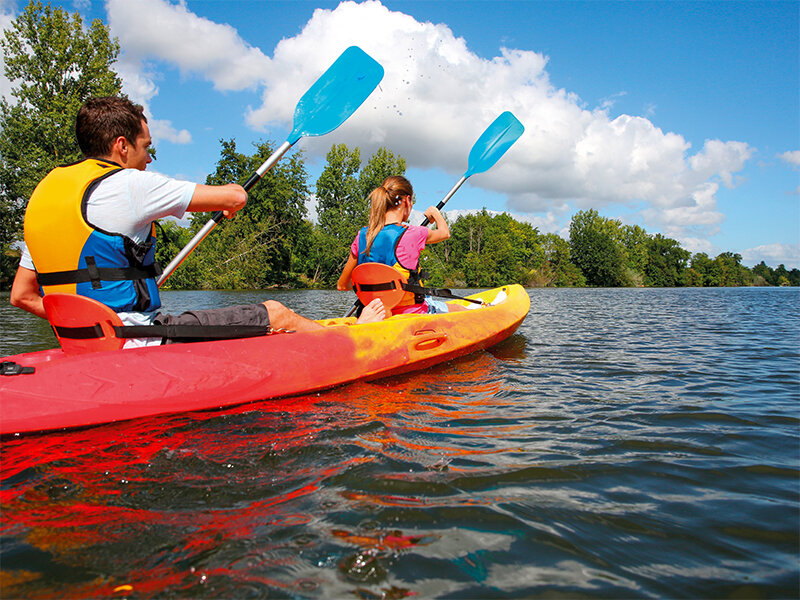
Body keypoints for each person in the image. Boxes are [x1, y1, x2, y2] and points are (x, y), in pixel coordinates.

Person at [11, 96, 385, 347]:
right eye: (146, 147)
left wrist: (91, 324)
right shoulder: (127, 184)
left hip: (82, 344)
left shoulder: (47, 197)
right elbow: (235, 196)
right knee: (275, 312)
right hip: (136, 340)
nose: (149, 158)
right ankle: (353, 341)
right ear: (121, 146)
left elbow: (22, 295)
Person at [337, 175, 456, 315]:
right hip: (412, 314)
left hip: (374, 315)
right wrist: (435, 213)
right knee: (462, 309)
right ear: (407, 200)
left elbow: (342, 285)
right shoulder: (414, 233)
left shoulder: (362, 236)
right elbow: (444, 233)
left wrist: (372, 290)